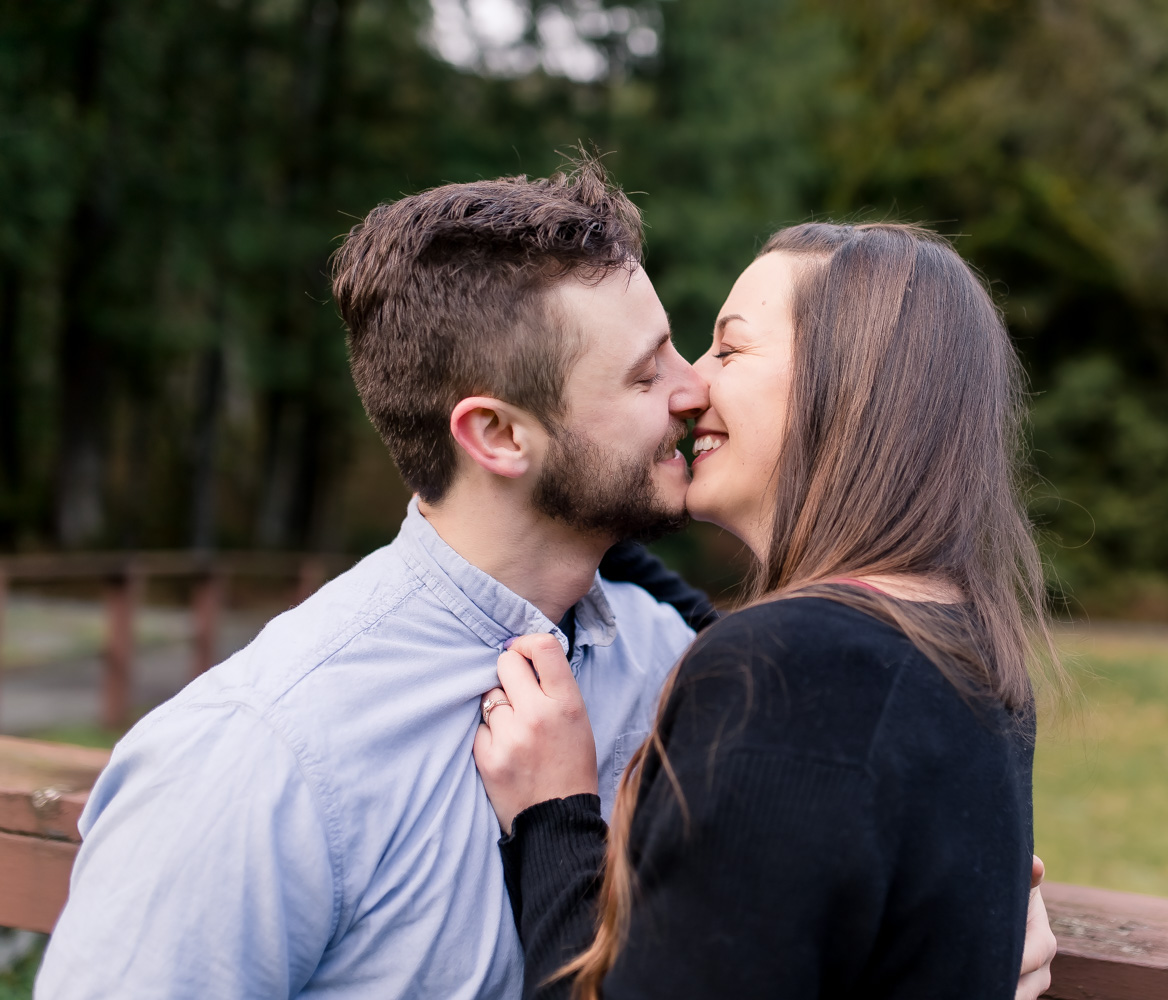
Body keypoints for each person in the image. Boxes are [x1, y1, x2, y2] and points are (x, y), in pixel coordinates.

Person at [35, 160, 1056, 999]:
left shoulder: (686, 660)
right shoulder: (263, 755)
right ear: (499, 435)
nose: (691, 386)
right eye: (647, 372)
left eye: (695, 350)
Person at [475, 222, 1056, 999]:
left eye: (729, 349)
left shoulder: (788, 672)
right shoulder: (951, 649)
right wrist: (571, 499)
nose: (691, 386)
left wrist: (553, 814)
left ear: (851, 383)